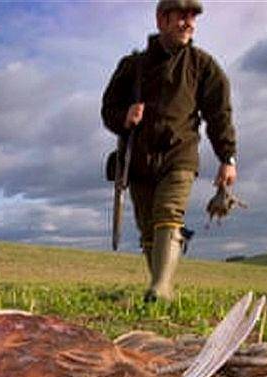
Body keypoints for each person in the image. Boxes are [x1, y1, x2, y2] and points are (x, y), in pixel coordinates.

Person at [101, 0, 237, 302]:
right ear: (162, 19)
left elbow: (219, 114)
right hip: (137, 160)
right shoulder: (131, 66)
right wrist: (124, 117)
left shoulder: (203, 66)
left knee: (168, 212)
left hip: (179, 155)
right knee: (147, 226)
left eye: (193, 17)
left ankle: (161, 287)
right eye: (182, 16)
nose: (189, 23)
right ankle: (159, 287)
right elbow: (107, 108)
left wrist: (227, 157)